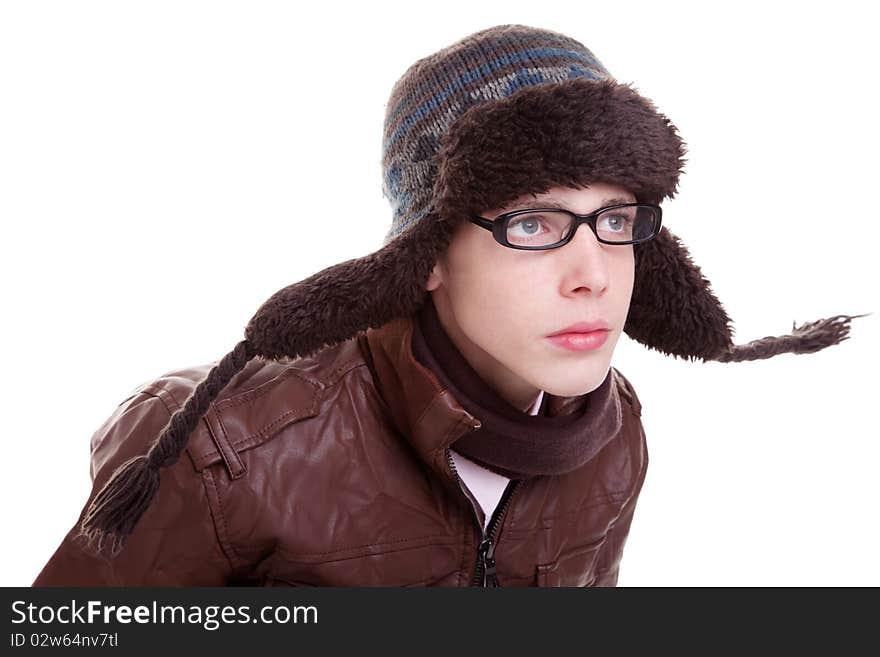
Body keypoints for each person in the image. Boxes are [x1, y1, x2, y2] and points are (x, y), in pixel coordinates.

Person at [32, 24, 865, 587]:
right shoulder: (222, 452)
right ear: (427, 256)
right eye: (535, 221)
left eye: (615, 220)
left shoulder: (614, 437)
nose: (595, 273)